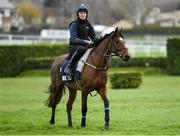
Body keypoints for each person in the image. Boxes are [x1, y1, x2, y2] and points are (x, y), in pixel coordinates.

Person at [65, 3, 96, 75]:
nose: (83, 14)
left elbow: (94, 37)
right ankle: (70, 66)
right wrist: (87, 42)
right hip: (74, 47)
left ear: (86, 14)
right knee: (82, 49)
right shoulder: (74, 24)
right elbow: (74, 39)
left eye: (84, 13)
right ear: (78, 14)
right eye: (81, 13)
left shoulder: (88, 25)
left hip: (85, 46)